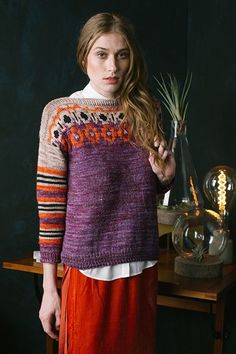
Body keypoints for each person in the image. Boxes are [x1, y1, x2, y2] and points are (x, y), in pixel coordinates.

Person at [36, 12, 176, 354]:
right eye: (102, 54)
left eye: (122, 54)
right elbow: (51, 205)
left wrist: (167, 177)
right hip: (87, 272)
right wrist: (49, 288)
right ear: (85, 57)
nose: (113, 65)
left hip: (141, 267)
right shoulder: (62, 115)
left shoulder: (147, 110)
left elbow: (145, 191)